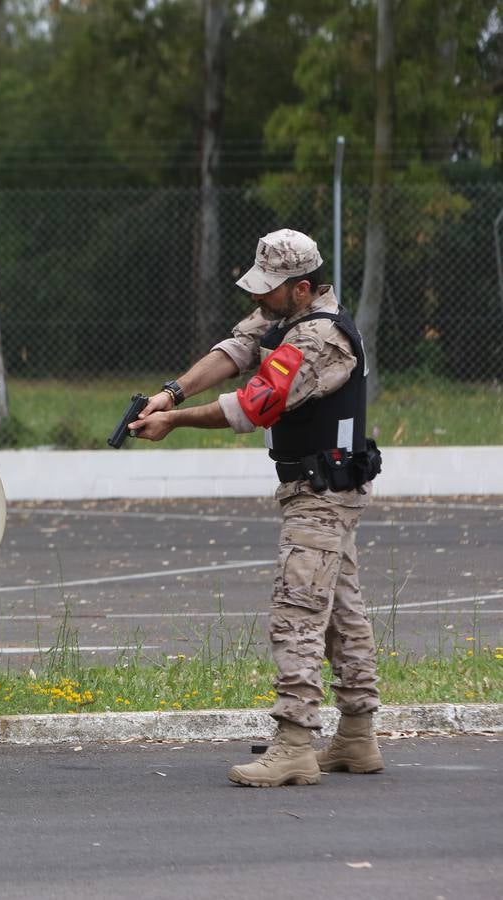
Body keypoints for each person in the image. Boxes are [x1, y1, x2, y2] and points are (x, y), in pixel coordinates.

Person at [129, 228, 384, 787]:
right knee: (341, 611)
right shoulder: (286, 319)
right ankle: (357, 737)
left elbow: (255, 404)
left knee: (297, 612)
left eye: (269, 289)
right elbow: (236, 350)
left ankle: (295, 743)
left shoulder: (318, 339)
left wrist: (175, 421)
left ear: (303, 288)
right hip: (323, 488)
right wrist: (171, 393)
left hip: (320, 494)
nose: (256, 299)